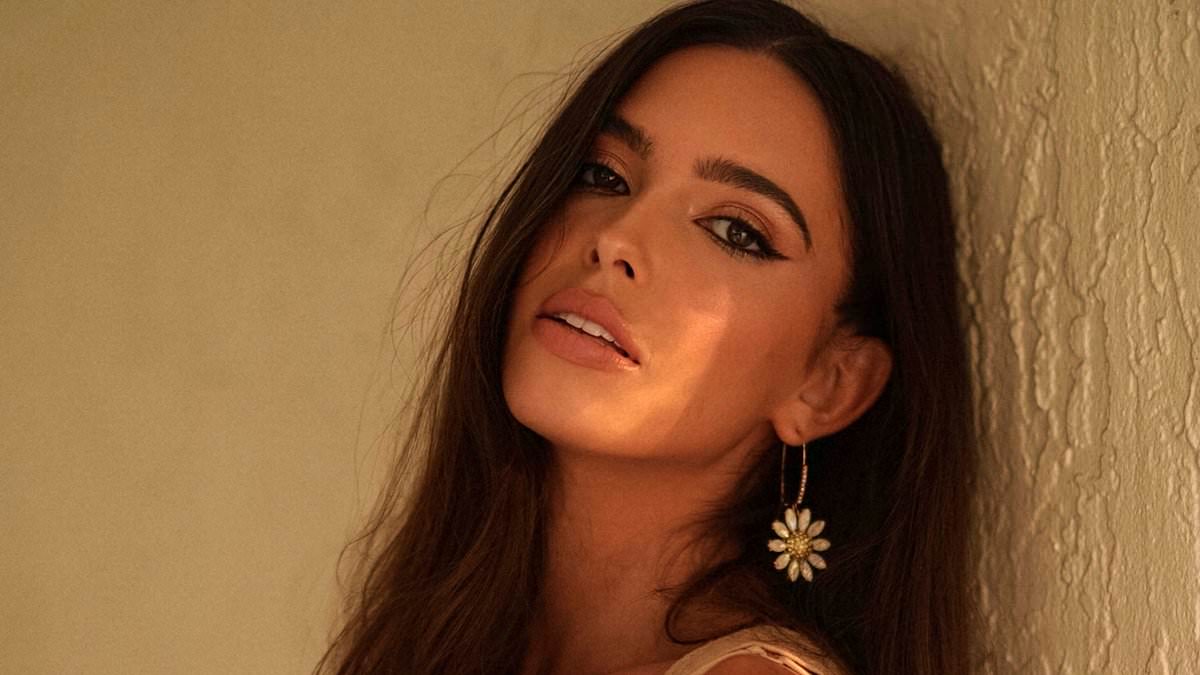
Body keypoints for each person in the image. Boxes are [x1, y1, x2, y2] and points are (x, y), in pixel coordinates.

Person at [318, 1, 974, 673]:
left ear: (829, 385)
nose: (616, 238)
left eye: (735, 231)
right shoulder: (447, 628)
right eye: (603, 175)